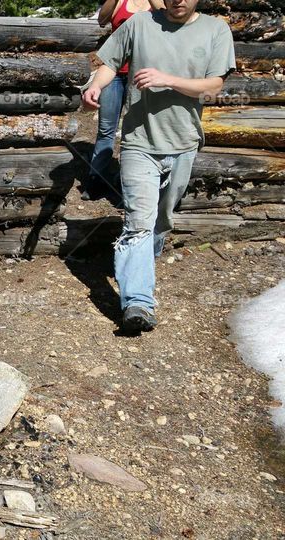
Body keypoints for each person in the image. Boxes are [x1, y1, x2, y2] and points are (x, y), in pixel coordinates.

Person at [82, 0, 236, 332]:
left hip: (183, 142)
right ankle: (138, 302)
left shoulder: (215, 29)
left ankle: (143, 266)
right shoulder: (139, 24)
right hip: (139, 141)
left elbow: (214, 85)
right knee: (138, 221)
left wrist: (167, 79)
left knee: (161, 220)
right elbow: (109, 62)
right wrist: (96, 85)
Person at [82, 0, 164, 201]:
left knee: (137, 129)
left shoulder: (158, 3)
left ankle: (128, 181)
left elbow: (165, 15)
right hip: (113, 72)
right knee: (106, 128)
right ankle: (96, 179)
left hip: (142, 74)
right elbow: (102, 20)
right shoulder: (121, 2)